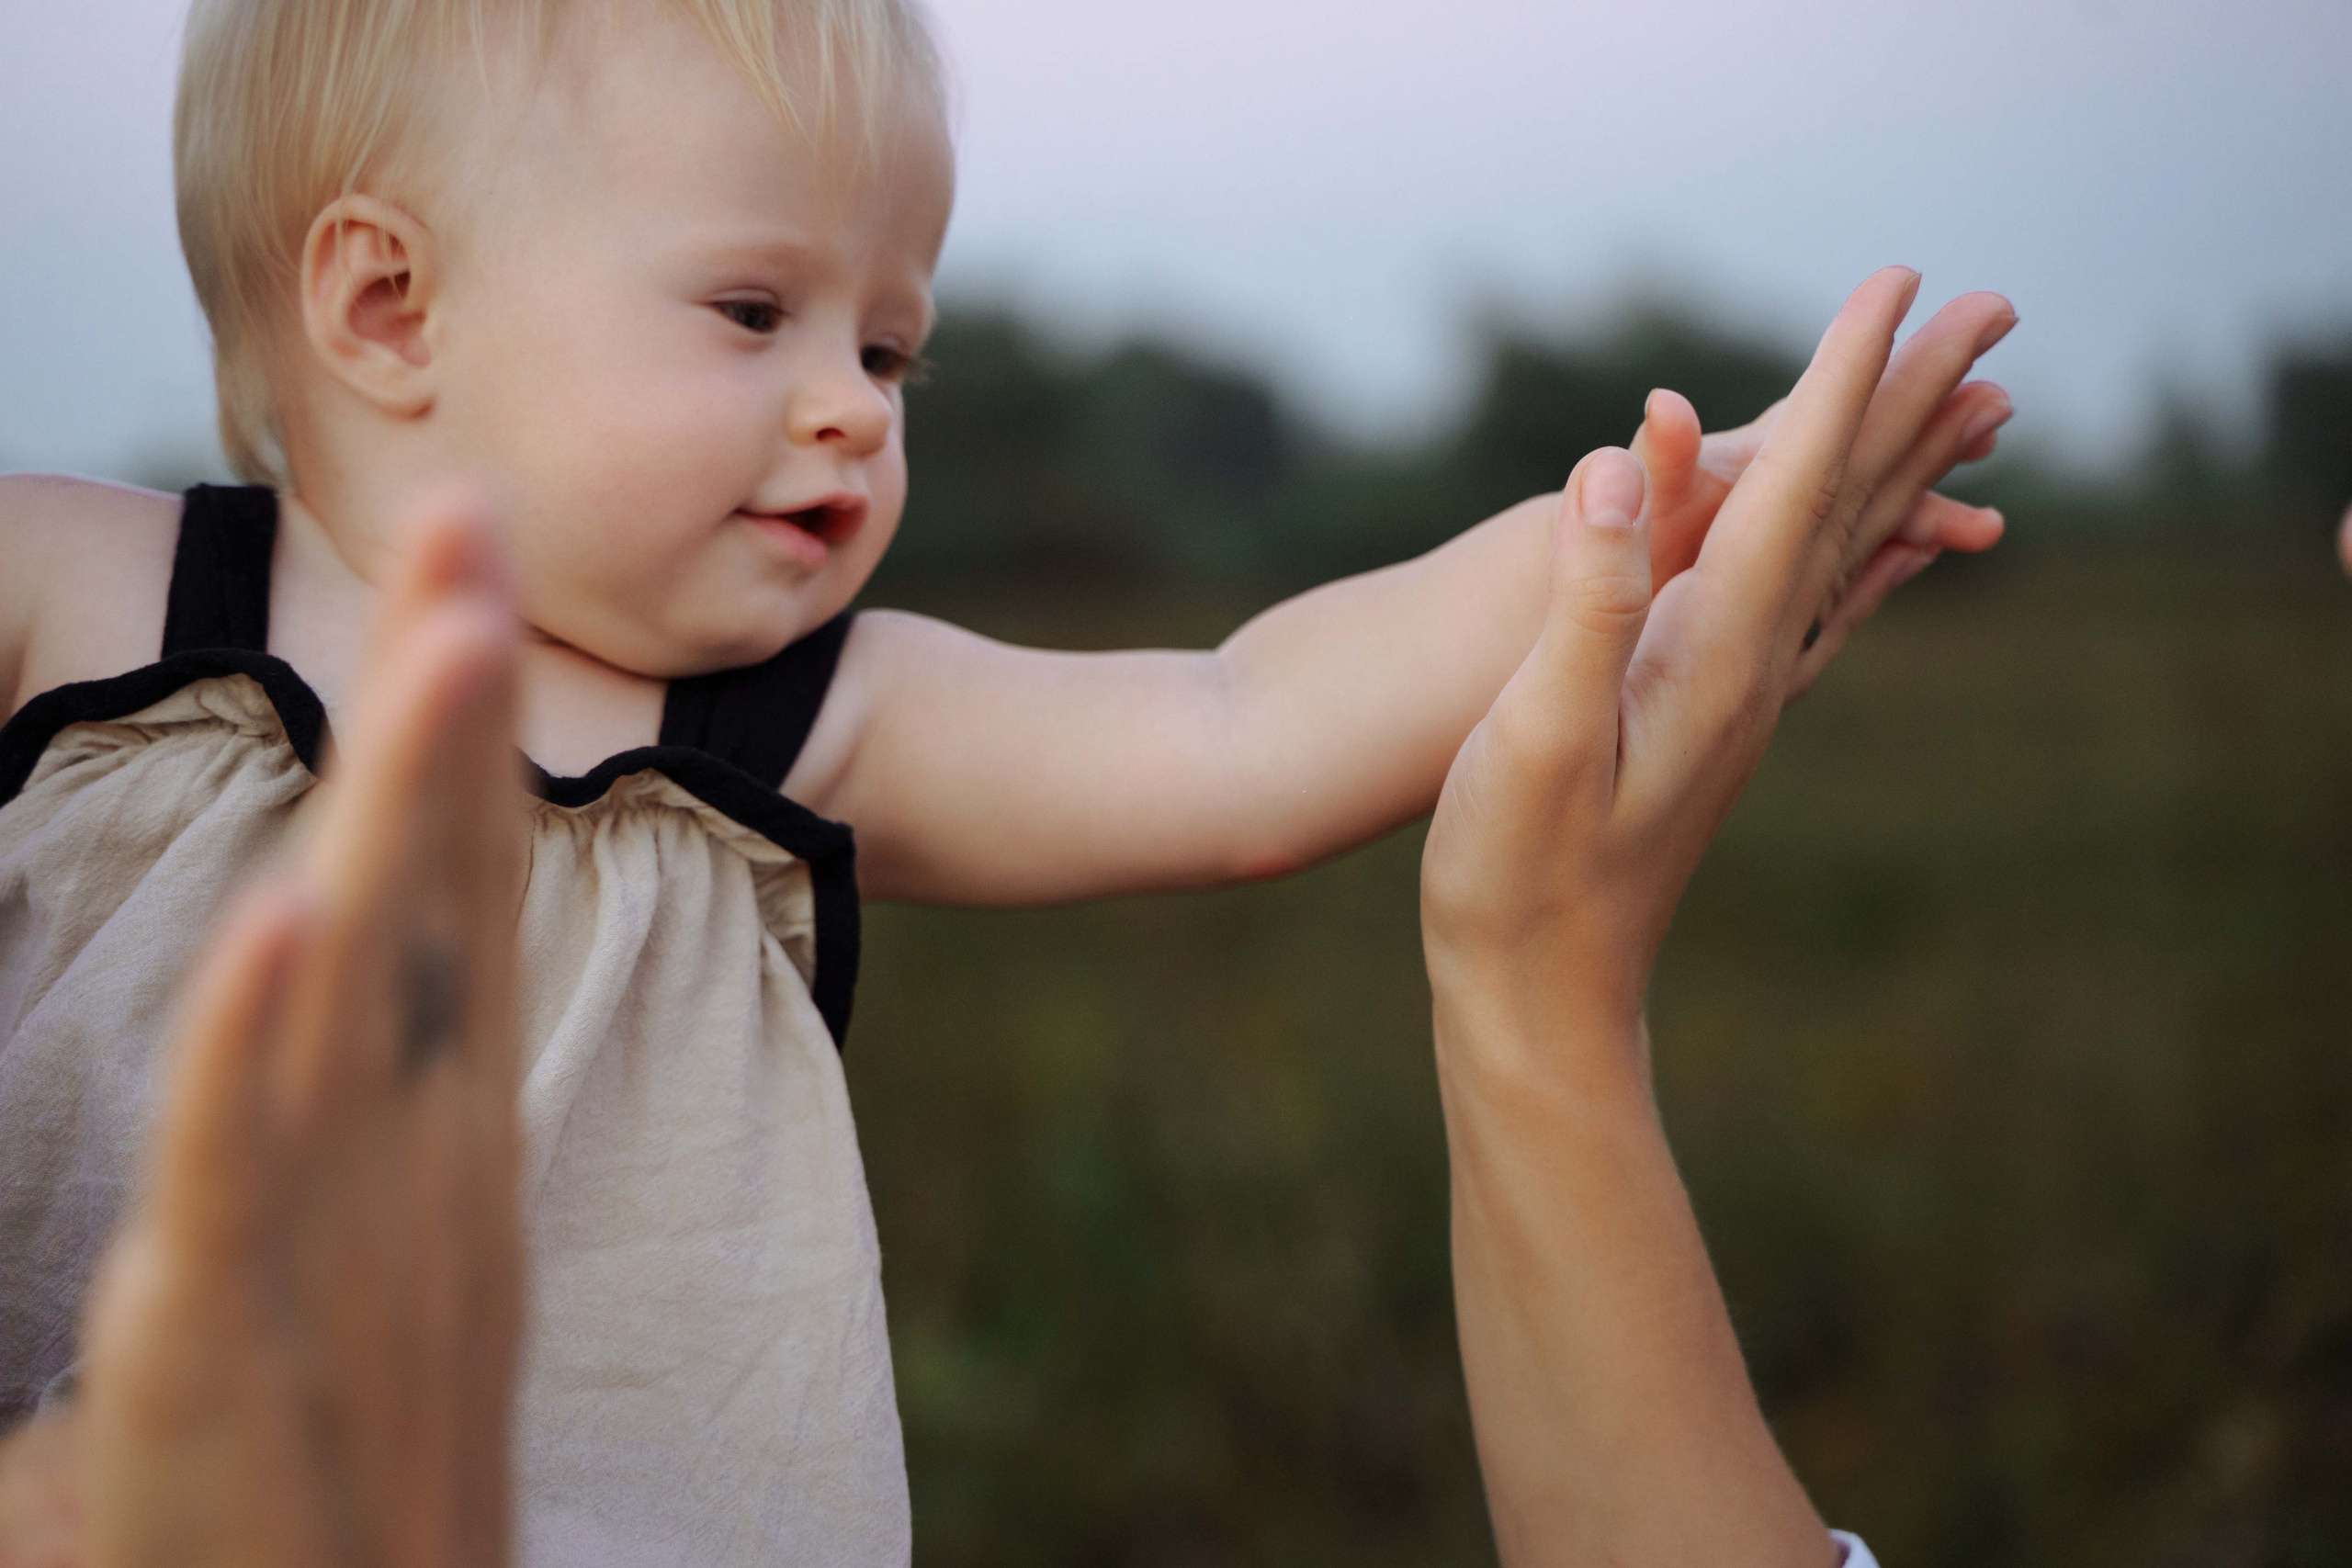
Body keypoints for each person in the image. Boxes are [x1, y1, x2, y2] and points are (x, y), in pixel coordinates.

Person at [0, 0, 2015, 1556]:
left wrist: (1655, 520)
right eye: (752, 309)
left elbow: (1237, 724)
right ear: (384, 303)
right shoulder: (78, 596)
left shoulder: (789, 728)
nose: (847, 409)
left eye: (892, 352)